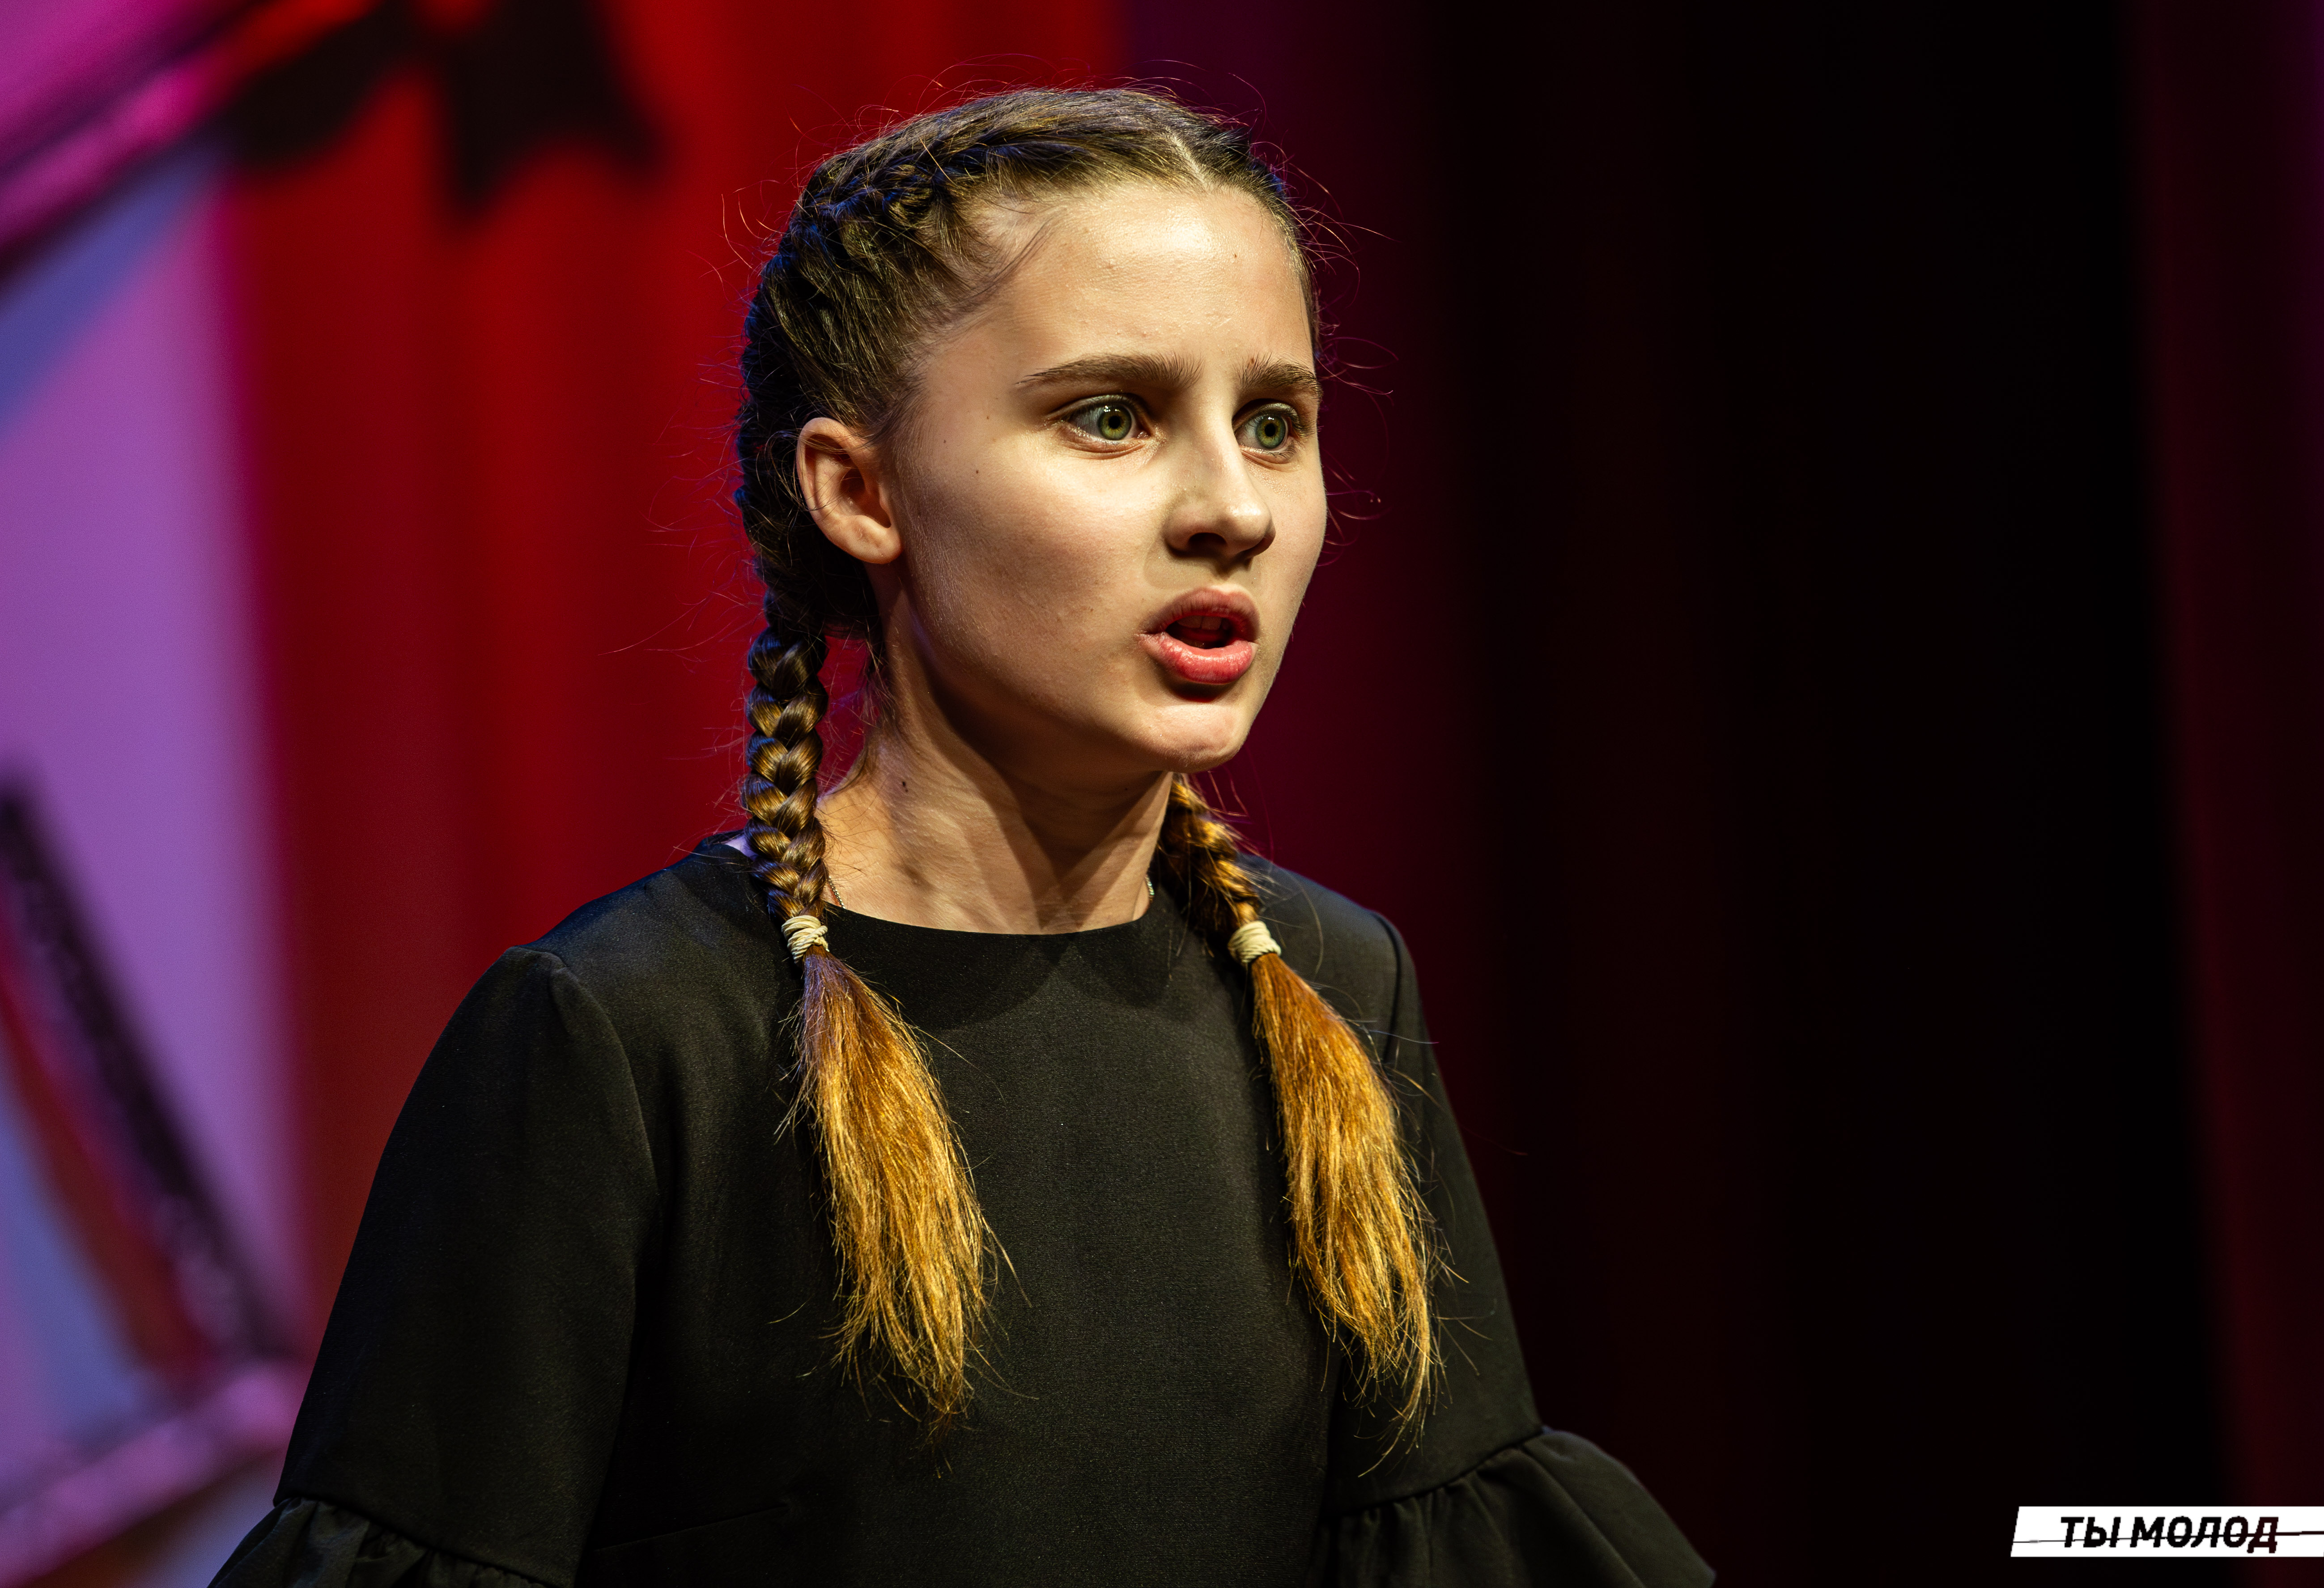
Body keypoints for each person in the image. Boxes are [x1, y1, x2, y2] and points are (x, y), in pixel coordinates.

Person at [209, 86, 1711, 1588]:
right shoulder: (628, 1036)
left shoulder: (1326, 984)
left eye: (1273, 425)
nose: (1233, 511)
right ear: (861, 492)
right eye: (1111, 417)